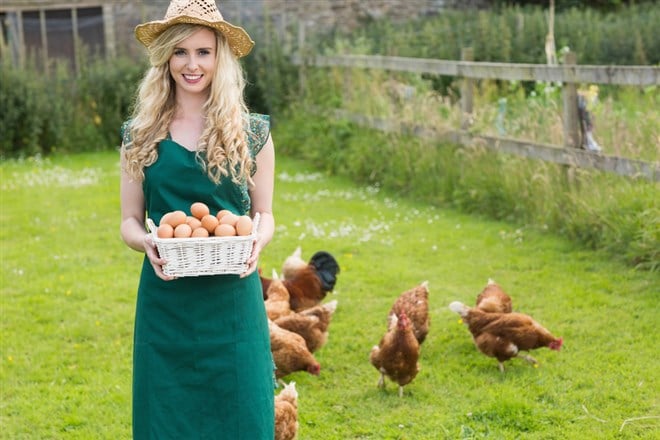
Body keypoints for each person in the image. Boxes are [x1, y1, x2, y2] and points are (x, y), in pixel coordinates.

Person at [119, 0, 275, 438]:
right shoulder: (140, 133)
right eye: (180, 52)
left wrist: (258, 240)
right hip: (166, 301)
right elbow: (130, 220)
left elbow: (263, 213)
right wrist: (145, 242)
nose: (192, 64)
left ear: (219, 58)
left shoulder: (252, 132)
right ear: (165, 57)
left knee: (242, 416)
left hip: (233, 302)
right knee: (165, 417)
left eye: (203, 52)